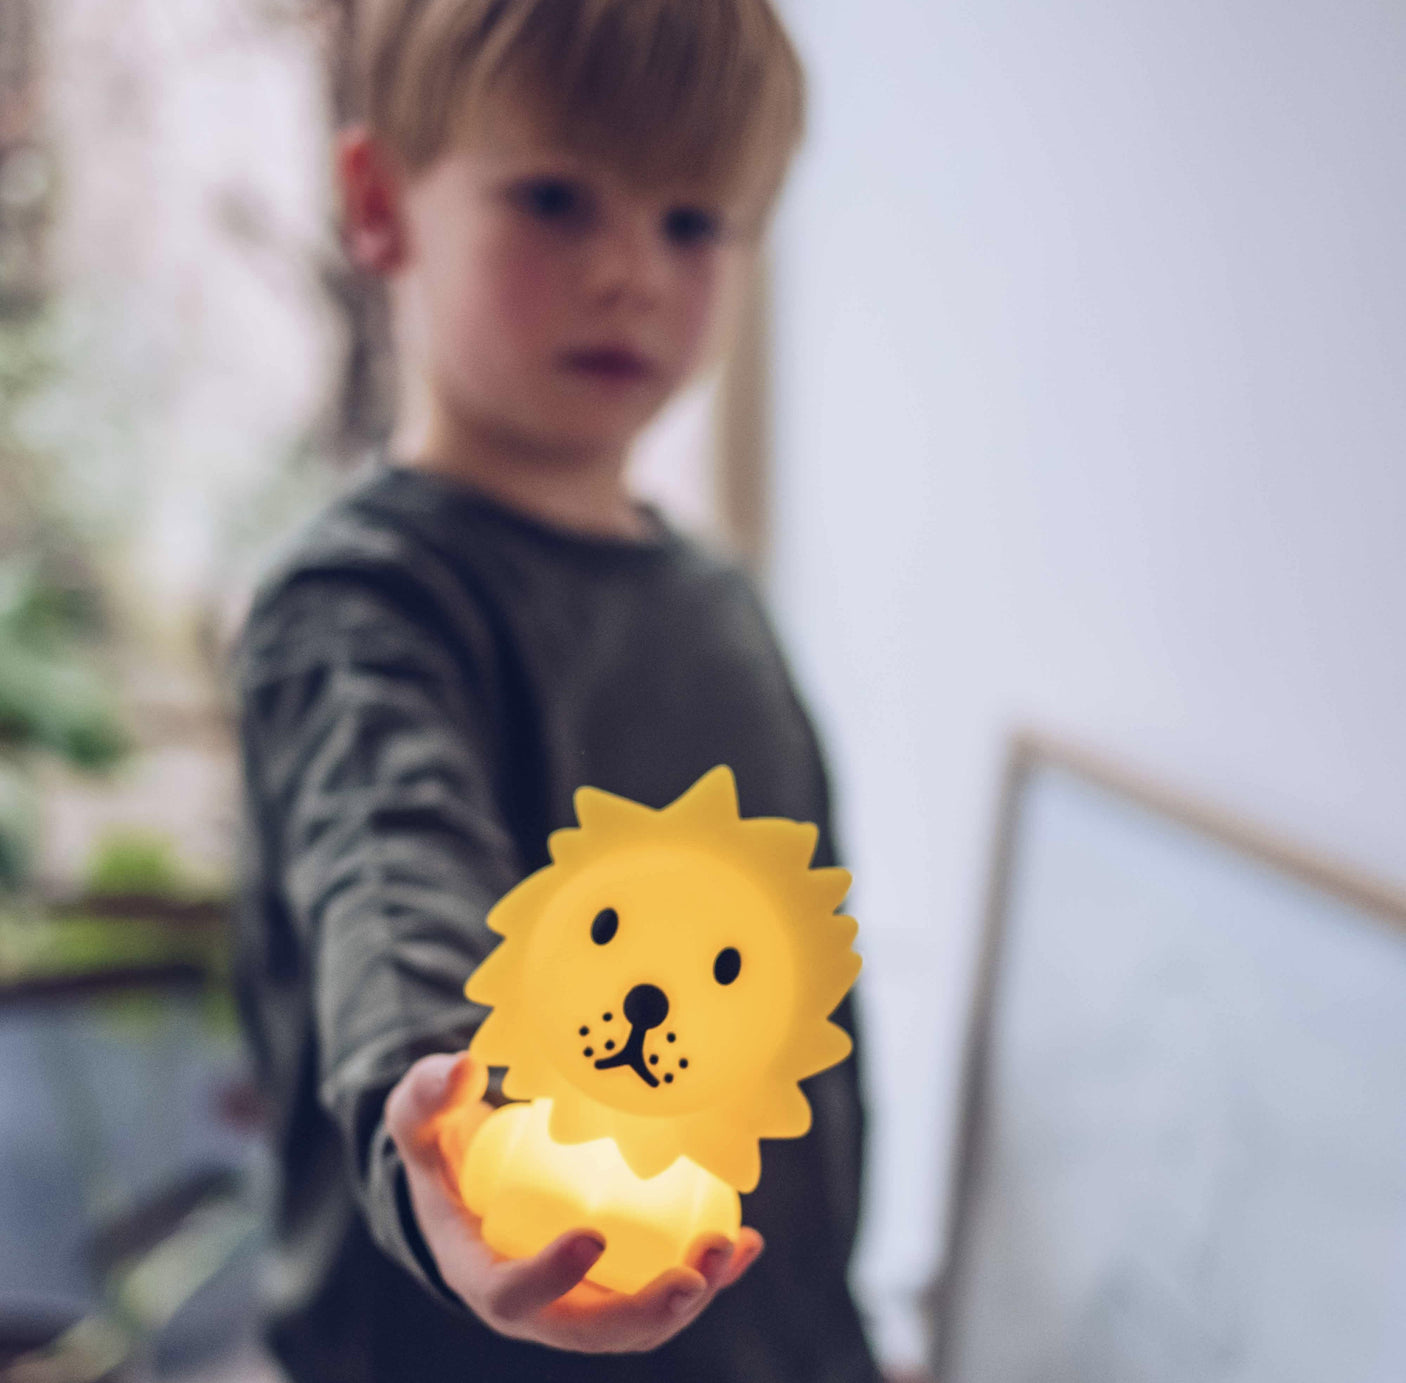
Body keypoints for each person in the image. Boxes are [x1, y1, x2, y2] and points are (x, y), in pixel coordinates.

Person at [231, 1, 879, 1379]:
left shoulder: (718, 599)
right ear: (378, 202)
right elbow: (390, 889)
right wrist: (453, 1158)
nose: (630, 272)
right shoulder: (363, 611)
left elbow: (803, 1050)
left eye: (692, 222)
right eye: (554, 199)